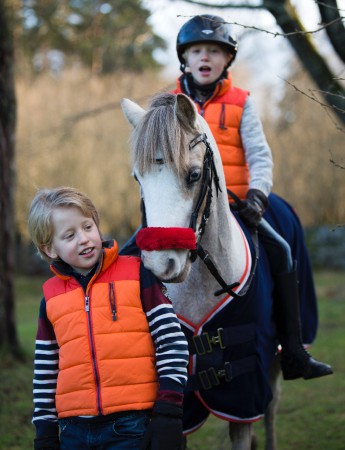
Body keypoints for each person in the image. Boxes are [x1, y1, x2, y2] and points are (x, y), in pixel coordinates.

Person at [171, 14, 332, 381]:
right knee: (137, 257)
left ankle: (292, 351)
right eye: (197, 50)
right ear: (186, 57)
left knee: (283, 250)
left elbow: (260, 155)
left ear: (228, 58)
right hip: (185, 211)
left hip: (236, 207)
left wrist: (258, 197)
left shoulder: (242, 101)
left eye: (214, 50)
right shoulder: (169, 105)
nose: (205, 57)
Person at [28, 186, 189, 450]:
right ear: (50, 249)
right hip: (73, 431)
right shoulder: (51, 298)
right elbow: (45, 372)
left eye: (88, 227)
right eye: (69, 235)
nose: (83, 239)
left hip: (132, 425)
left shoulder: (137, 274)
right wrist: (45, 432)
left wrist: (168, 412)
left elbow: (173, 343)